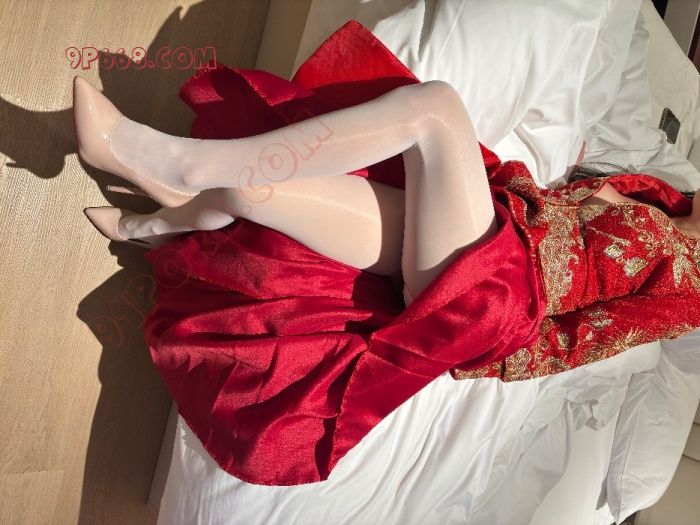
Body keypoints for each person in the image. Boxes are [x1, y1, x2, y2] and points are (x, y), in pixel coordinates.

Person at [74, 20, 700, 485]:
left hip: (498, 292)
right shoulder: (666, 194)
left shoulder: (690, 290)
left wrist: (470, 339)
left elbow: (573, 342)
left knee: (436, 109)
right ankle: (156, 224)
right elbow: (555, 209)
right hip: (494, 232)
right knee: (253, 189)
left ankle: (174, 163)